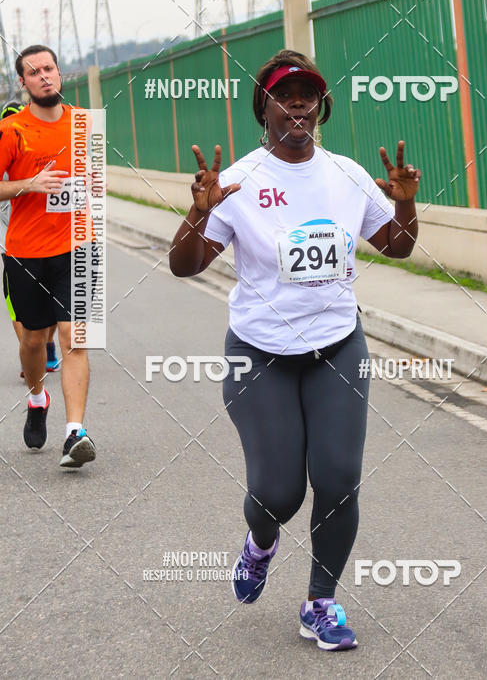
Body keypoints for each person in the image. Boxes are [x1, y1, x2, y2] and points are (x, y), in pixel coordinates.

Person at [169, 49, 421, 651]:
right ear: (266, 110)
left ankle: (320, 603)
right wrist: (198, 214)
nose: (299, 103)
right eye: (285, 94)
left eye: (308, 93)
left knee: (338, 479)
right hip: (259, 355)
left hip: (337, 346)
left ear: (321, 107)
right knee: (278, 493)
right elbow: (184, 266)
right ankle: (259, 544)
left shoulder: (348, 175)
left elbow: (398, 246)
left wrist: (406, 202)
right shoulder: (242, 182)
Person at [0, 46, 96, 468]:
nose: (44, 76)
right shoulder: (12, 130)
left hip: (78, 245)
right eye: (34, 72)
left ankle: (75, 432)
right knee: (34, 340)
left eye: (49, 69)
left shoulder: (83, 122)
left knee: (75, 337)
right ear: (23, 83)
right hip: (25, 250)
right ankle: (38, 397)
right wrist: (29, 184)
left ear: (60, 73)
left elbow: (92, 177)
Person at [1, 100, 60, 379]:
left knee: (44, 306)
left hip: (55, 244)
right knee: (21, 307)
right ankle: (36, 352)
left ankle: (42, 349)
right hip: (20, 247)